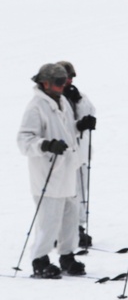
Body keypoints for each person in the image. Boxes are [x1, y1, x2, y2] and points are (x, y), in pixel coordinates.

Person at [17, 63, 87, 278]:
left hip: (67, 171)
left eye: (63, 81)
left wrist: (80, 126)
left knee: (70, 217)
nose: (62, 85)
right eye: (58, 82)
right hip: (48, 174)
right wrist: (46, 145)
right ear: (44, 83)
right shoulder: (35, 107)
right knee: (49, 221)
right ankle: (39, 260)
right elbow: (24, 140)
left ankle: (67, 256)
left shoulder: (62, 101)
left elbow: (65, 131)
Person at [56, 60, 97, 247]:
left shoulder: (78, 96)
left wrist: (81, 106)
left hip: (80, 153)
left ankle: (78, 227)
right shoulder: (51, 100)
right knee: (63, 192)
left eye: (71, 77)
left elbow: (90, 111)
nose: (69, 81)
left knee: (80, 190)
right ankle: (60, 230)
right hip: (61, 156)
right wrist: (79, 125)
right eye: (66, 78)